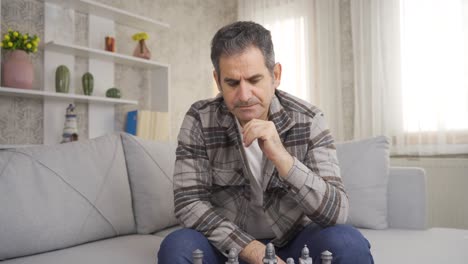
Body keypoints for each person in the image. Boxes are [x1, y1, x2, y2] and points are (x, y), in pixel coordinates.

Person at [158, 21, 373, 264]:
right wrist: (254, 252)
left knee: (348, 243)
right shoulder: (199, 119)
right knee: (177, 247)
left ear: (276, 75)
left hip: (295, 241)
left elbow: (337, 212)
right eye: (232, 83)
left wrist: (283, 159)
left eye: (254, 79)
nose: (244, 95)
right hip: (227, 245)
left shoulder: (309, 119)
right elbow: (189, 202)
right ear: (218, 81)